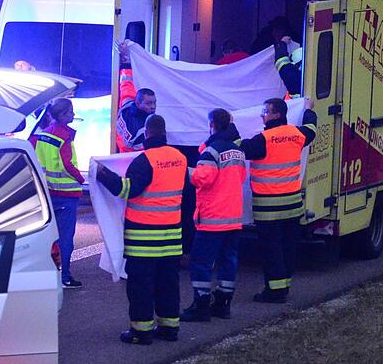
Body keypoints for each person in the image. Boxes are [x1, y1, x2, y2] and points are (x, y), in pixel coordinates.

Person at [96, 115, 187, 344]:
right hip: (171, 236)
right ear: (165, 132)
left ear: (146, 133)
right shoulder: (180, 158)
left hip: (144, 238)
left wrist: (103, 175)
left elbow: (127, 190)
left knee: (141, 287)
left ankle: (141, 331)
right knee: (168, 284)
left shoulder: (144, 160)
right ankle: (169, 328)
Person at [237, 97, 317, 302]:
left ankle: (274, 291)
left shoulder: (264, 139)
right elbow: (311, 129)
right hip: (292, 207)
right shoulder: (296, 134)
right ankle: (284, 285)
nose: (262, 114)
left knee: (271, 249)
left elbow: (240, 148)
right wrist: (308, 108)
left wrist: (229, 124)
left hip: (269, 208)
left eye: (266, 111)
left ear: (277, 115)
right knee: (287, 247)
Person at [181, 108, 247, 322]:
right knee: (229, 261)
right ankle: (223, 304)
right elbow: (241, 177)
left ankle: (201, 306)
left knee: (201, 262)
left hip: (212, 218)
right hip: (233, 218)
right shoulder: (237, 151)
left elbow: (204, 179)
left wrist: (186, 170)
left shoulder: (211, 151)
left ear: (212, 125)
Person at [32, 98, 85, 289]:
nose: (73, 115)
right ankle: (65, 278)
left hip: (49, 192)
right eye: (70, 112)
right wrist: (81, 179)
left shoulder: (43, 134)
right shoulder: (64, 136)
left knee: (48, 236)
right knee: (65, 238)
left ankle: (48, 274)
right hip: (67, 194)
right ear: (62, 115)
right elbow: (67, 164)